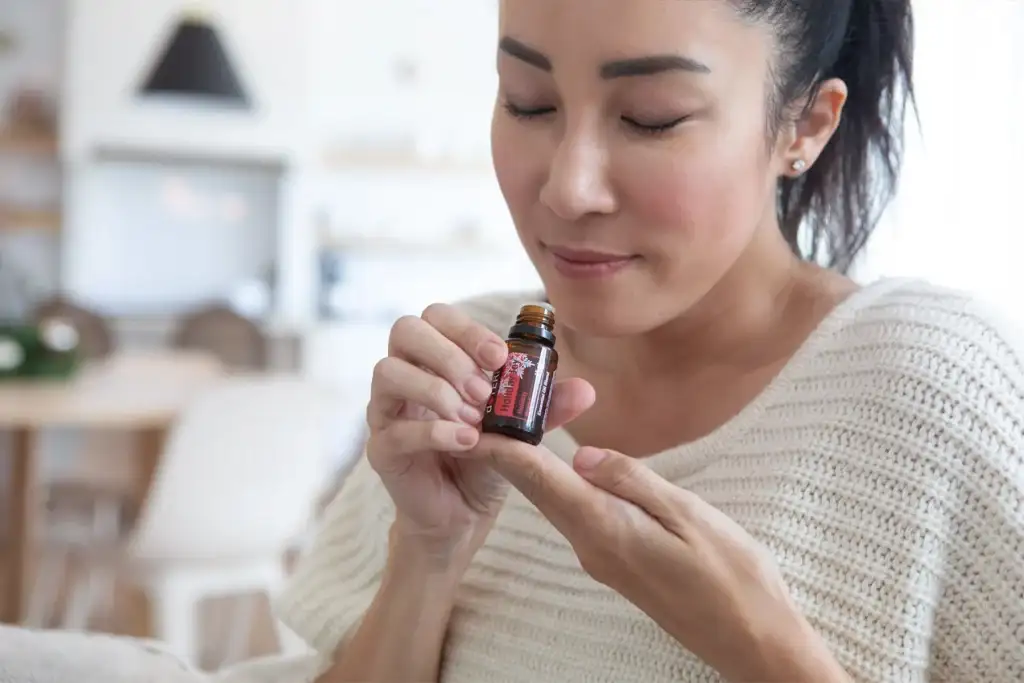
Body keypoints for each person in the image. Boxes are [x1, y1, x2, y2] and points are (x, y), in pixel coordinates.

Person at [268, 1, 1024, 682]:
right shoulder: (469, 366)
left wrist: (760, 647)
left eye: (652, 116)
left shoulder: (939, 385)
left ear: (805, 126)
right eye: (528, 103)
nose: (568, 188)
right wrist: (426, 552)